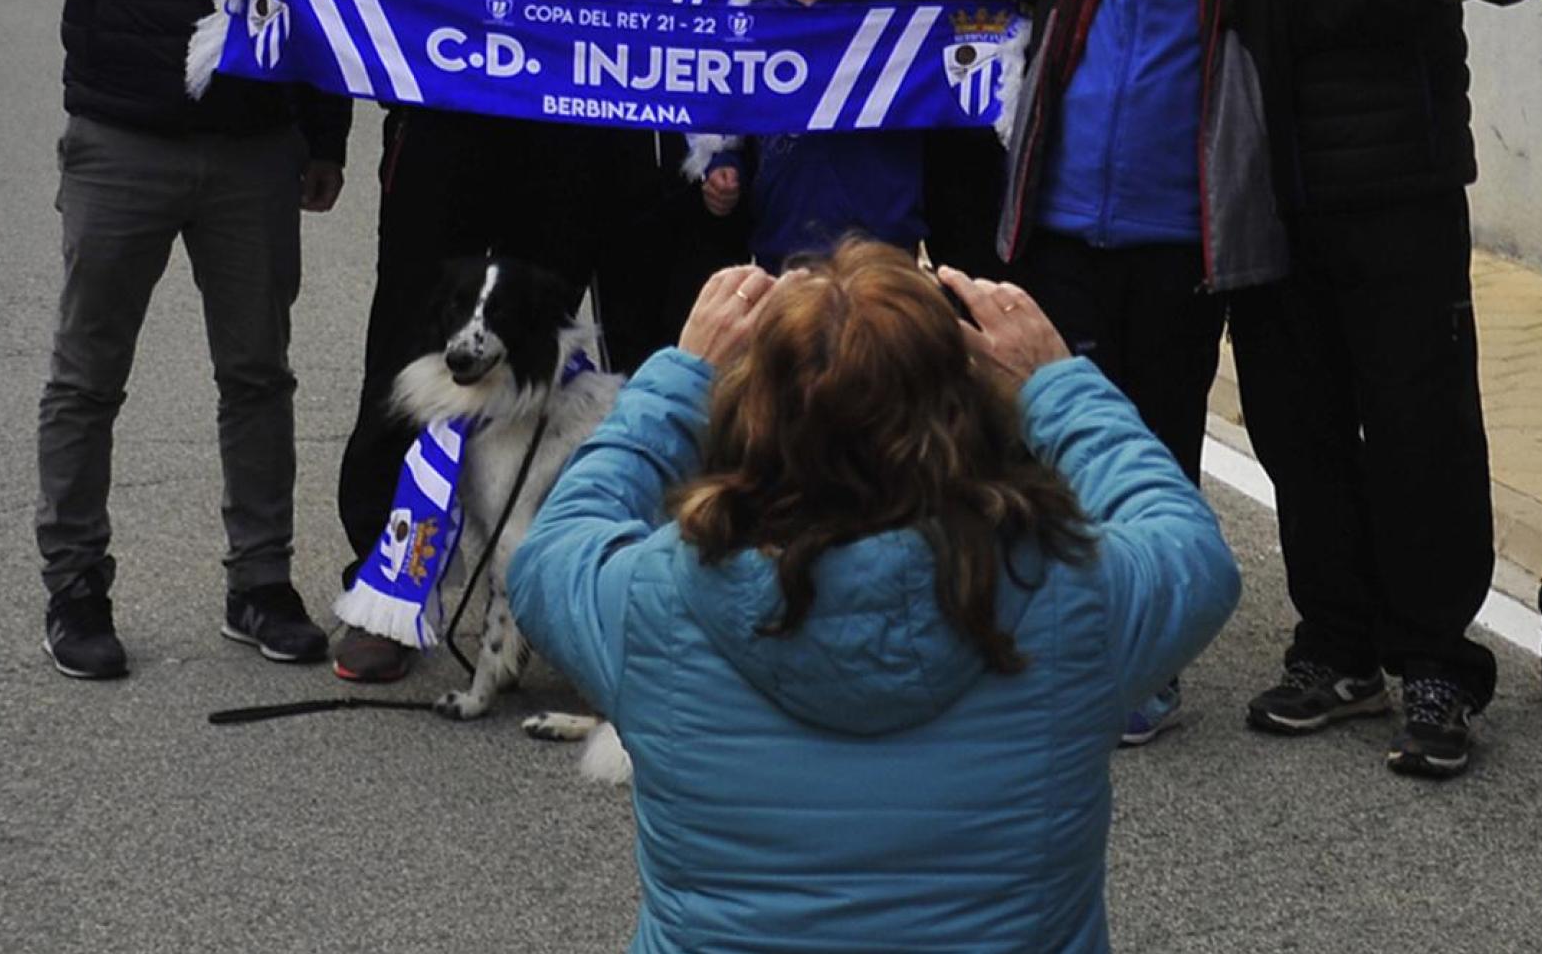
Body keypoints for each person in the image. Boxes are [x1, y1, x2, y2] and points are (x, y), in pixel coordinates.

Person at [508, 241, 1240, 953]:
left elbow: (553, 548)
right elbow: (1190, 548)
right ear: (969, 414)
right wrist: (1058, 382)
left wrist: (681, 376)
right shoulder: (1067, 591)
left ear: (747, 416)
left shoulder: (654, 598)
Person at [1049, 0, 1542, 776]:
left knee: (1419, 426)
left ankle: (1438, 667)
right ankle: (1336, 648)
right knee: (1294, 428)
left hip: (1400, 180)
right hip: (1263, 186)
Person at [213, 0, 758, 684]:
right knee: (416, 343)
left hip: (578, 120)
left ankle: (538, 575)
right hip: (450, 104)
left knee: (538, 365)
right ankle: (389, 582)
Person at [889, 0, 1286, 745]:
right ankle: (1054, 638)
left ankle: (1151, 664)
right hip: (1062, 247)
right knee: (1050, 447)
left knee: (1155, 448)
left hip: (1178, 255)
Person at [0, 0, 353, 679]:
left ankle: (259, 581)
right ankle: (76, 587)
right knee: (86, 377)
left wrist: (325, 135)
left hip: (256, 133)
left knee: (258, 374)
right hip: (119, 123)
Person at [702, 0, 927, 273]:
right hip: (785, 254)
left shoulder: (909, 30)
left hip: (884, 260)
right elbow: (731, 121)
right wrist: (723, 166)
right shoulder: (754, 28)